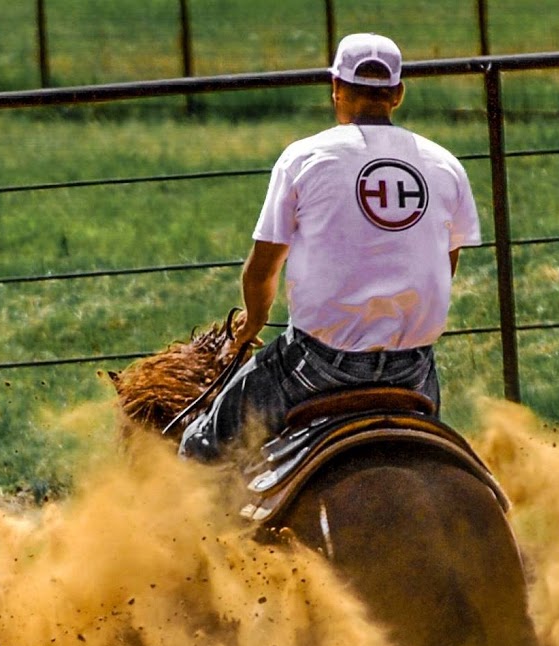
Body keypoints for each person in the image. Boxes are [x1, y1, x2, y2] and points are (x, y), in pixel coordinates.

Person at [179, 31, 481, 461]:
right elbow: (446, 262)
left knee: (200, 448)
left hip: (317, 365)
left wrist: (253, 322)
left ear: (335, 88)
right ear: (397, 94)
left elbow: (263, 268)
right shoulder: (446, 165)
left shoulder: (304, 158)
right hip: (413, 370)